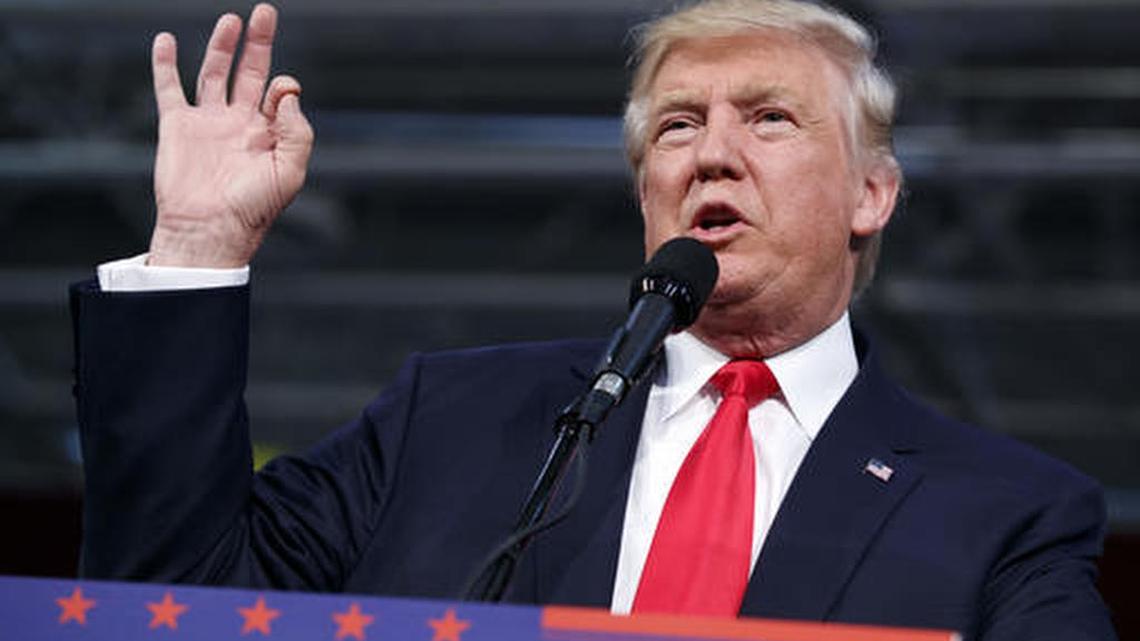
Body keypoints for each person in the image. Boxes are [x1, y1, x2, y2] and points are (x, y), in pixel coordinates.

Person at [70, 1, 1117, 639]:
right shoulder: (450, 418)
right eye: (677, 125)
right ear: (646, 188)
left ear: (871, 195)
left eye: (769, 118)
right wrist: (198, 248)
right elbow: (172, 606)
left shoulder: (1009, 516)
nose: (711, 152)